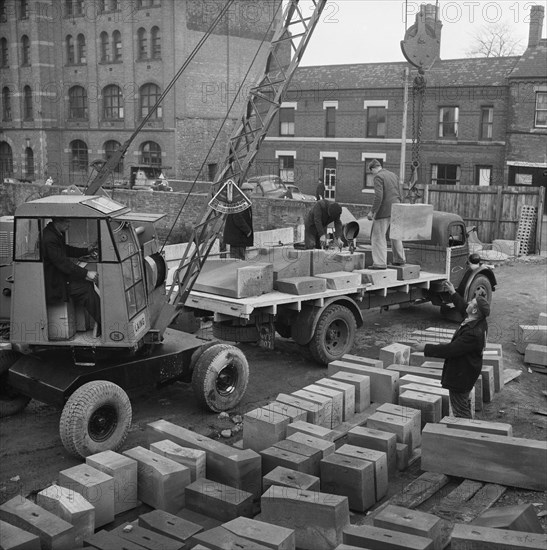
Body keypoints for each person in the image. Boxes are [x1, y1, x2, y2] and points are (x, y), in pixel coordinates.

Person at [412, 280, 490, 419]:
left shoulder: (472, 334)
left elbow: (451, 350)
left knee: (460, 411)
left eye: (472, 303)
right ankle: (468, 426)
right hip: (467, 371)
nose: (469, 303)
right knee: (463, 403)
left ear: (474, 310)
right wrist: (453, 293)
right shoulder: (478, 320)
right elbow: (463, 306)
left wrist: (426, 348)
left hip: (461, 376)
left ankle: (465, 434)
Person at [42, 217, 101, 332]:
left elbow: (65, 250)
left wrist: (86, 250)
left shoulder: (55, 233)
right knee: (86, 288)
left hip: (59, 276)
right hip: (54, 283)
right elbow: (63, 263)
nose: (69, 224)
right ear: (57, 221)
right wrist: (87, 273)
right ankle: (105, 324)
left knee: (86, 285)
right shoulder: (49, 238)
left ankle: (100, 321)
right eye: (67, 221)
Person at [366, 159, 406, 269]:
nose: (372, 174)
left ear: (373, 169)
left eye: (371, 171)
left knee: (378, 236)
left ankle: (380, 263)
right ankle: (400, 259)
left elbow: (379, 196)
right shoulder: (393, 175)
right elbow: (400, 192)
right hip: (396, 208)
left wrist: (372, 211)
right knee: (396, 235)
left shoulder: (378, 177)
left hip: (385, 210)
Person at [223, 182, 254, 260]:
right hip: (237, 238)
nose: (251, 193)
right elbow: (237, 217)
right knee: (237, 260)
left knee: (239, 259)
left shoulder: (243, 202)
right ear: (245, 191)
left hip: (239, 238)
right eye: (250, 191)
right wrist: (247, 231)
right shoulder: (239, 202)